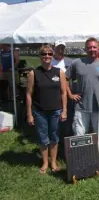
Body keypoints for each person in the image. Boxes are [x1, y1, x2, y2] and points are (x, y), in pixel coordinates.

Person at [26, 45, 67, 174]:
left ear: (52, 55)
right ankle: (45, 162)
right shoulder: (34, 73)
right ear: (40, 56)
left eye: (49, 54)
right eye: (44, 54)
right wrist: (29, 114)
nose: (47, 56)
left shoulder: (59, 72)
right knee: (43, 138)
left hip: (56, 111)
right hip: (39, 111)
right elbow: (28, 94)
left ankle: (53, 163)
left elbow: (63, 92)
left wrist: (64, 110)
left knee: (54, 138)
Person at [66, 37, 99, 136]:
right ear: (85, 49)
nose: (92, 49)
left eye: (94, 47)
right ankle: (80, 152)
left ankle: (97, 152)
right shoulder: (76, 63)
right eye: (89, 47)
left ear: (98, 49)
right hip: (81, 106)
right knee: (79, 134)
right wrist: (70, 94)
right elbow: (65, 78)